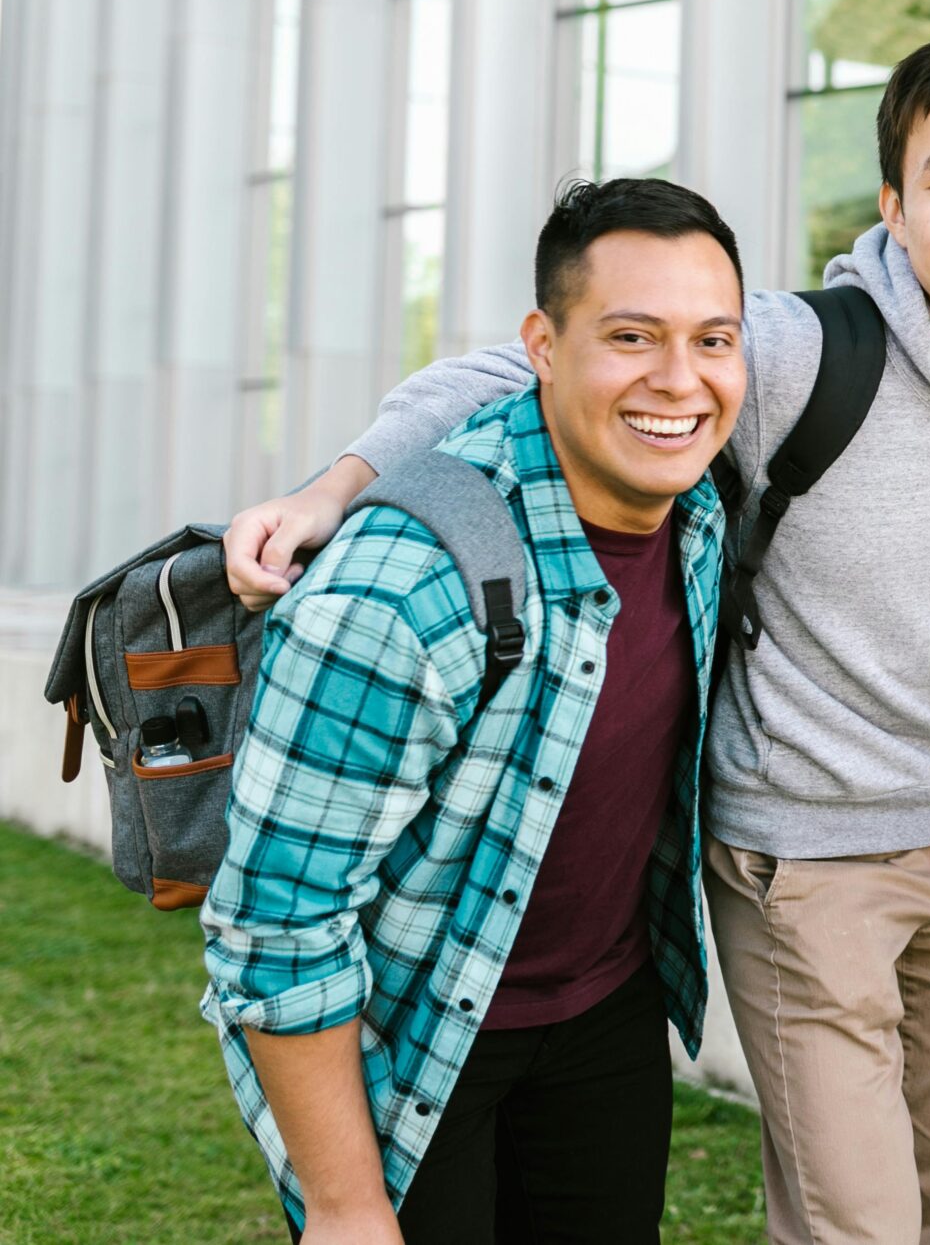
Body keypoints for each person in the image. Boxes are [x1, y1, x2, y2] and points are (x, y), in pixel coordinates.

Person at [220, 31, 930, 1245]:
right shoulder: (786, 351)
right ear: (895, 206)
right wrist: (334, 487)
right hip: (810, 858)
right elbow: (507, 375)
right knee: (863, 1228)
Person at [202, 178, 747, 1244]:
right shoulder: (401, 587)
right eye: (630, 336)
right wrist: (350, 1210)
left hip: (606, 1011)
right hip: (415, 1031)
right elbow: (274, 927)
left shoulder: (701, 505)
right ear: (542, 345)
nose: (679, 382)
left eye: (712, 340)